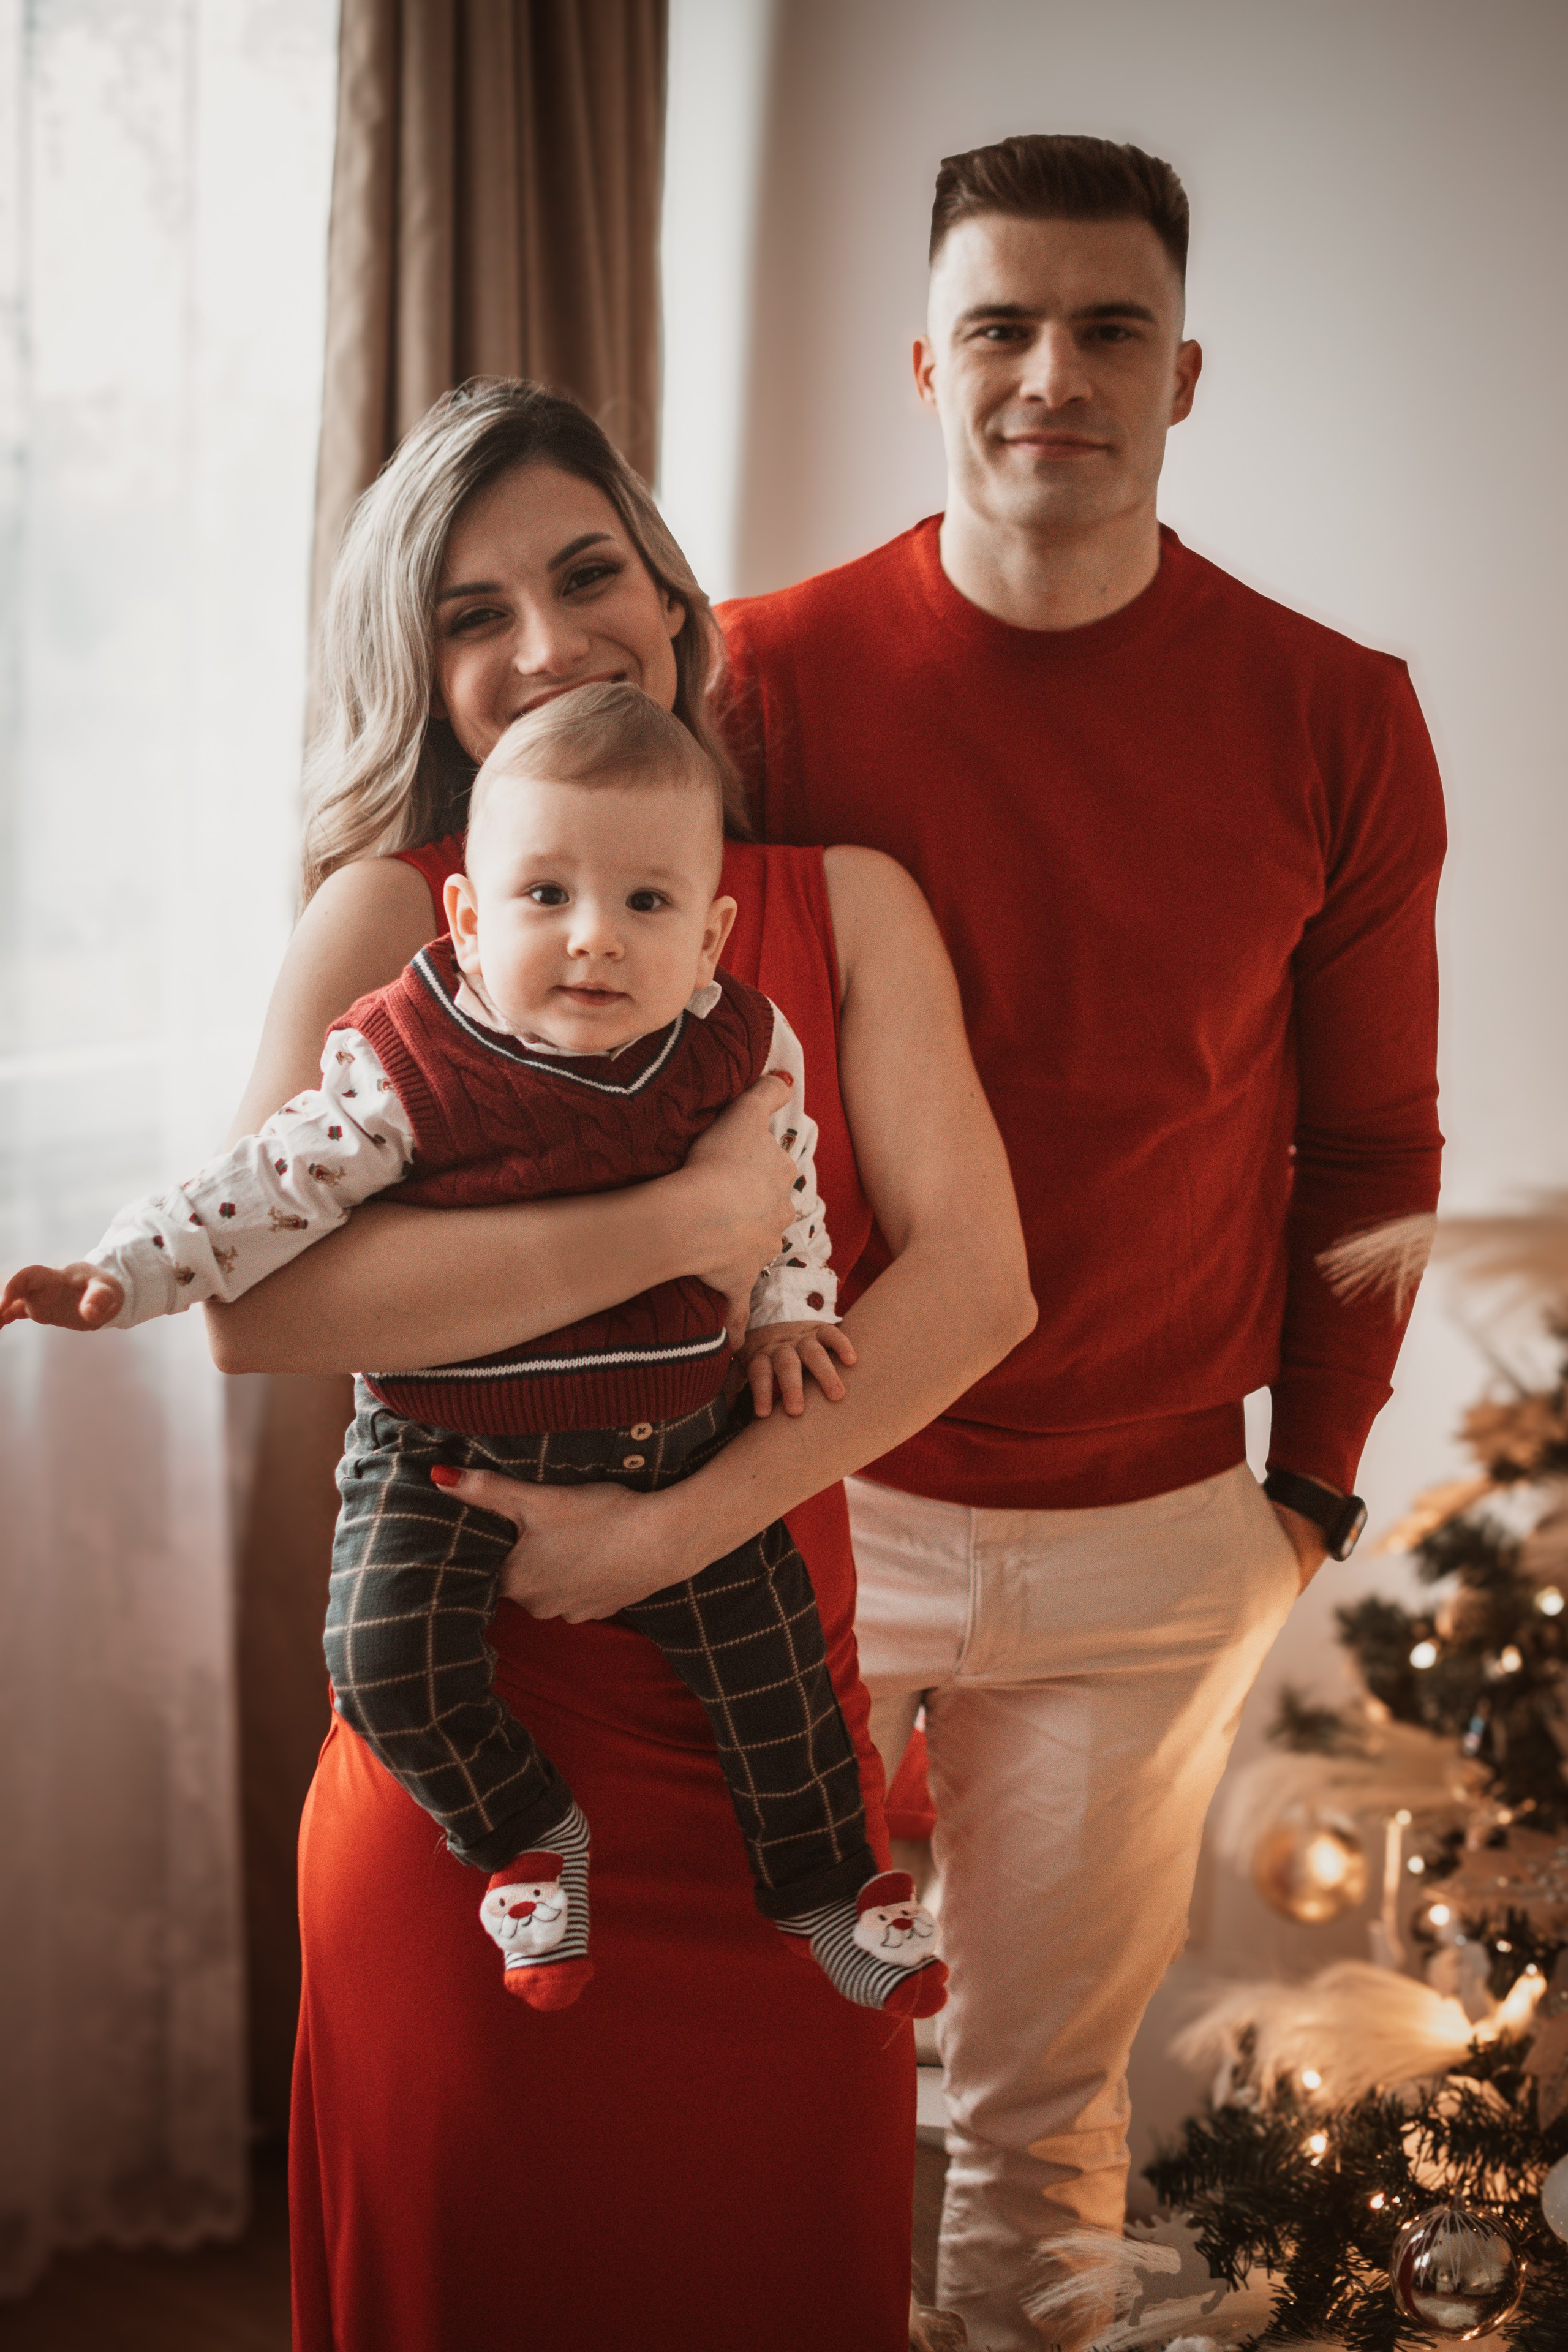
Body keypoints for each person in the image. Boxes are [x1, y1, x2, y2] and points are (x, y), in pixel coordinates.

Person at [197, 379, 1035, 2352]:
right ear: (421, 667)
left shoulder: (844, 905)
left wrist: (674, 1533)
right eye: (472, 615)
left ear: (671, 601)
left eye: (587, 578)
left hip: (776, 1773)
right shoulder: (386, 912)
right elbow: (257, 1306)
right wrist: (681, 1226)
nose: (547, 642)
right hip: (468, 1790)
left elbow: (980, 1285)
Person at [719, 134, 1446, 2350]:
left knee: (1040, 2123)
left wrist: (1309, 1494)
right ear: (926, 363)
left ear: (1184, 373)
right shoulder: (762, 678)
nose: (1056, 374)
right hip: (818, 1497)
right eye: (1006, 327)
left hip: (1154, 1542)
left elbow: (1371, 1146)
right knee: (758, 2062)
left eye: (1110, 328)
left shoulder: (1336, 714)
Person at [2, 680, 947, 2024]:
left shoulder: (733, 1043)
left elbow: (783, 1180)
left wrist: (794, 1306)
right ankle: (525, 1834)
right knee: (382, 1656)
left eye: (645, 903)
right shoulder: (410, 1061)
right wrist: (123, 1269)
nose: (593, 937)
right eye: (545, 895)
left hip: (679, 1437)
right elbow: (266, 1186)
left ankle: (825, 1891)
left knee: (779, 1677)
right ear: (465, 916)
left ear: (709, 935)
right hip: (442, 1453)